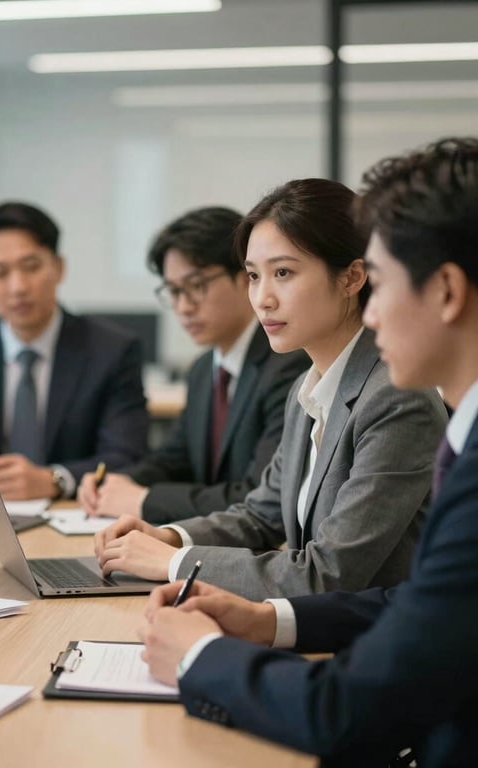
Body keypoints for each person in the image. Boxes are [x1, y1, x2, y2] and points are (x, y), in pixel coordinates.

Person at [138, 137, 478, 768]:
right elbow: (407, 600)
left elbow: (347, 706)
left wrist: (198, 654)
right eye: (254, 276)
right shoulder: (320, 390)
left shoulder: (412, 410)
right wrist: (263, 619)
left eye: (380, 283)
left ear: (447, 291)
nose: (372, 315)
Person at [95, 178, 447, 600]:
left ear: (352, 276)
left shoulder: (395, 396)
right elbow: (260, 515)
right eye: (252, 276)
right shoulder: (309, 387)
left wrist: (170, 564)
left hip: (370, 644)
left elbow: (328, 573)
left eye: (283, 273)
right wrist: (170, 537)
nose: (262, 298)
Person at [78, 207, 308, 524]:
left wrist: (143, 501)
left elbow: (258, 496)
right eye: (174, 291)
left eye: (197, 285)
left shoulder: (288, 364)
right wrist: (116, 482)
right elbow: (176, 458)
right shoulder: (203, 369)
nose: (184, 307)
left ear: (244, 278)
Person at [0, 201, 149, 500]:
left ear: (59, 268)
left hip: (73, 517)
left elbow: (128, 456)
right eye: (0, 272)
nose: (18, 286)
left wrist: (55, 479)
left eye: (31, 267)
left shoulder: (111, 351)